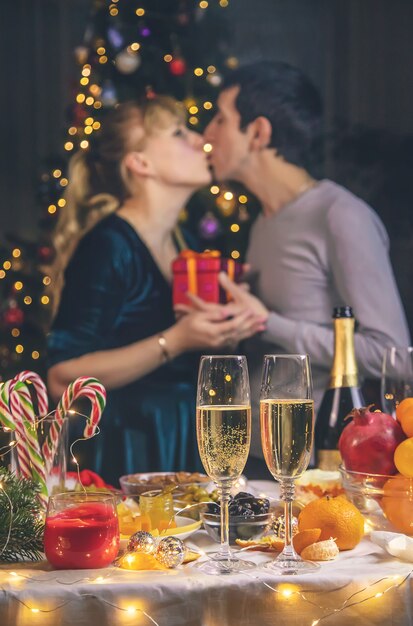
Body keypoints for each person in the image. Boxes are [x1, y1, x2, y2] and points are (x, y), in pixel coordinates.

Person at [201, 60, 411, 475]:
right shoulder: (263, 220)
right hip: (259, 460)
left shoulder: (341, 215)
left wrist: (267, 322)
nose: (207, 133)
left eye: (220, 119)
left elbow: (394, 356)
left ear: (258, 132)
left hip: (323, 467)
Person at [46, 96, 265, 485]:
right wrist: (176, 340)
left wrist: (230, 325)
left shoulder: (186, 243)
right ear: (140, 163)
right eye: (179, 133)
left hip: (183, 443)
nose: (200, 140)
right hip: (130, 453)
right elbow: (62, 376)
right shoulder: (109, 245)